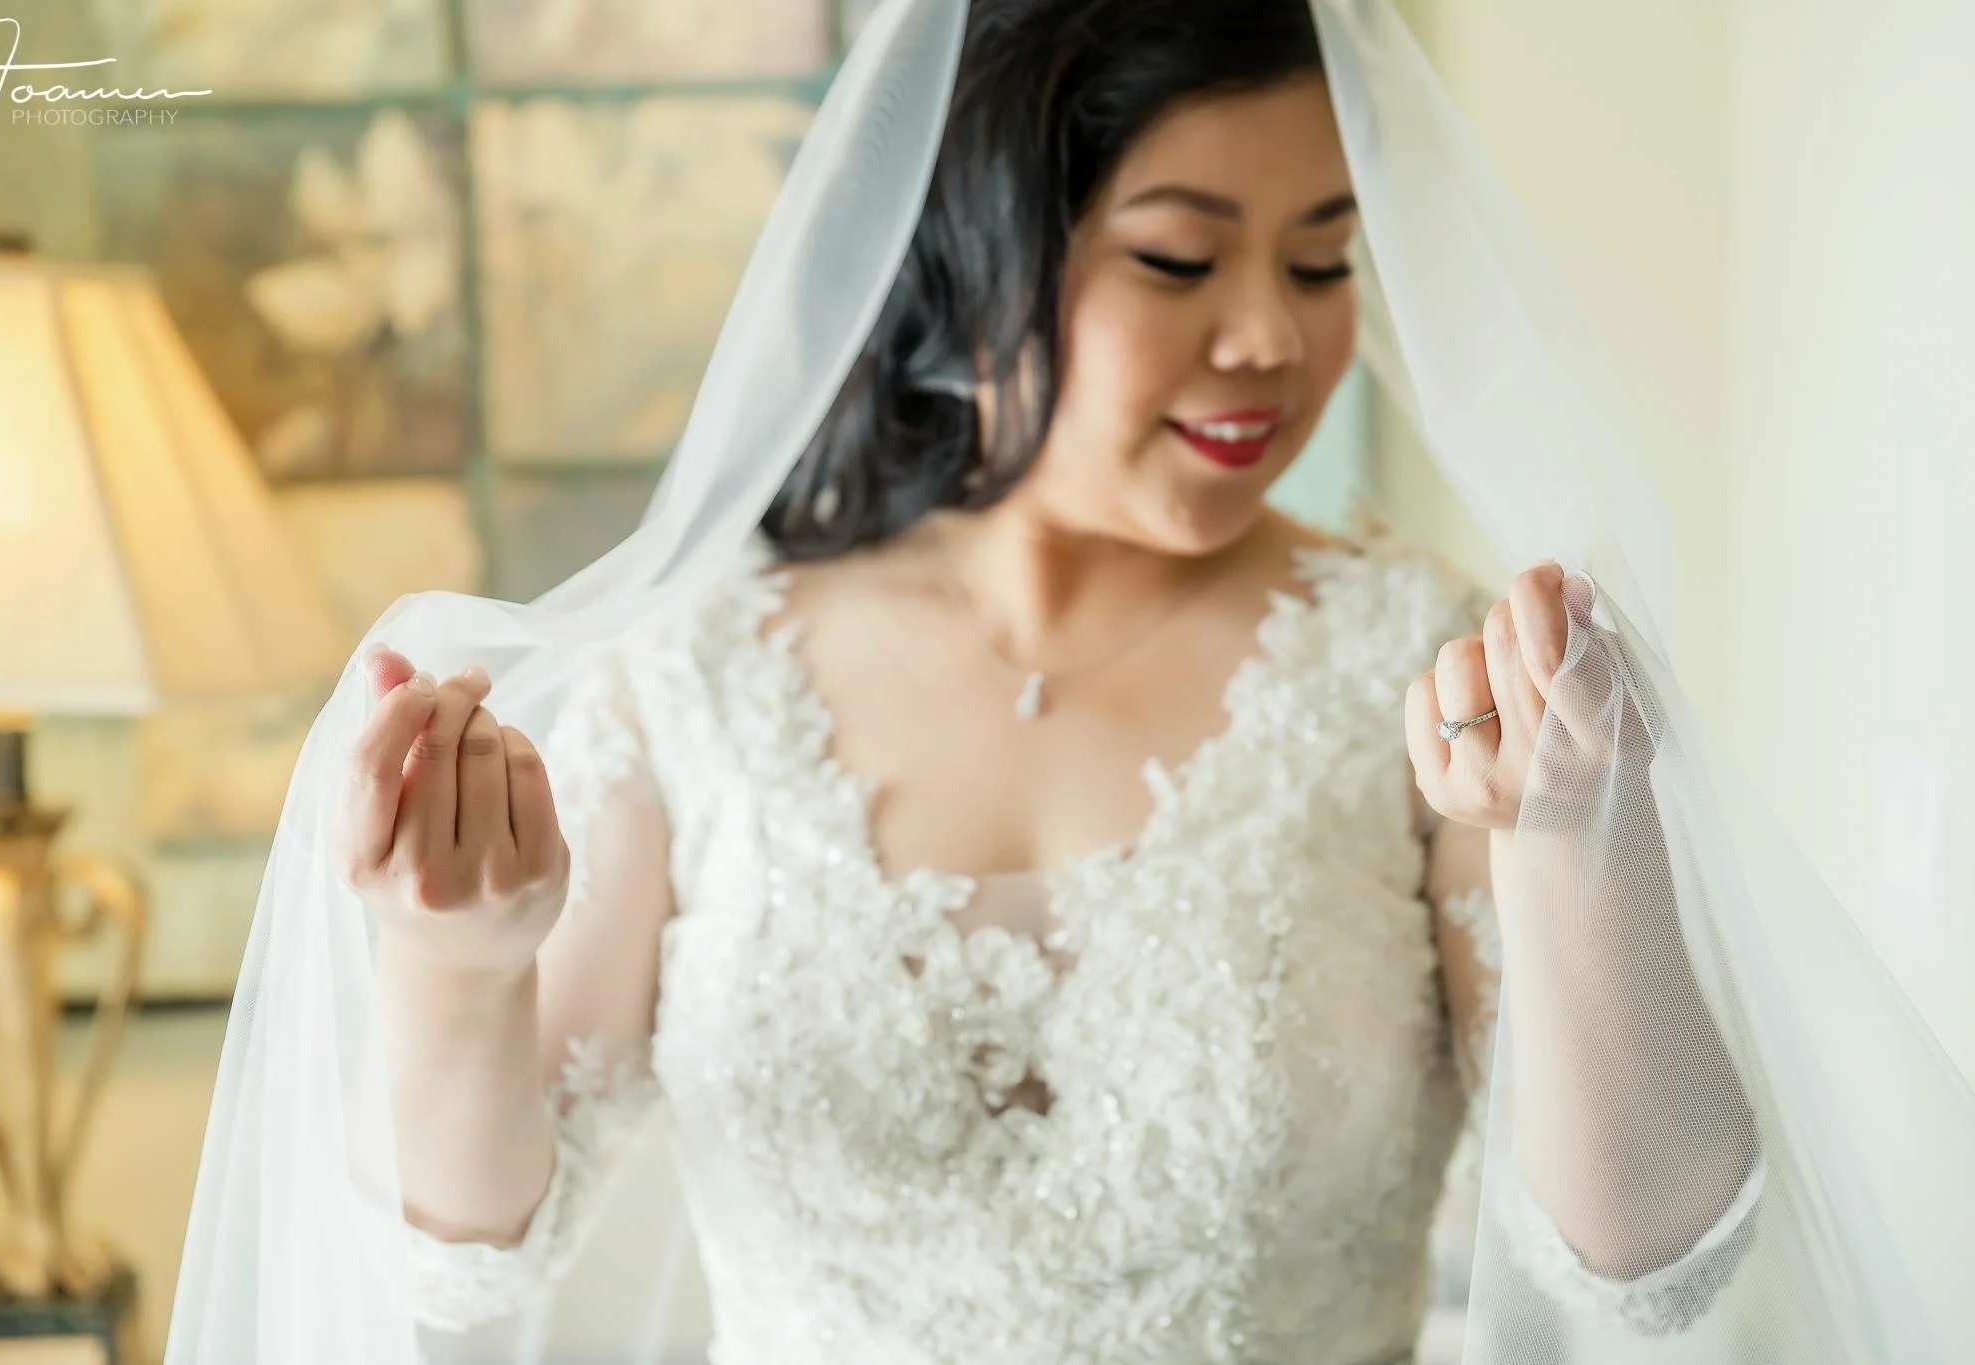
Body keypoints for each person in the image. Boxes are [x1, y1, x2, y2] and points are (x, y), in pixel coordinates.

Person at [337, 3, 1762, 1359]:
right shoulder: (699, 678)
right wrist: (453, 965)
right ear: (973, 253)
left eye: (1322, 263)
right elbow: (470, 1252)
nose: (1272, 335)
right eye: (1179, 260)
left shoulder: (1425, 671)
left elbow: (1652, 1262)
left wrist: (1582, 843)